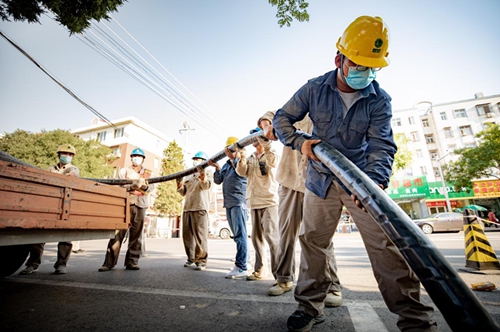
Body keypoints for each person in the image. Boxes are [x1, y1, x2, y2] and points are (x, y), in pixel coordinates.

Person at [274, 16, 437, 332]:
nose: (366, 72)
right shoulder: (314, 89)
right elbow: (282, 120)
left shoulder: (379, 99)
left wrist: (373, 183)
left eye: (372, 67)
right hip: (320, 179)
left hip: (360, 181)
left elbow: (381, 146)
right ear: (339, 59)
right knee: (312, 243)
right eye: (359, 64)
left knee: (386, 246)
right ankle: (309, 308)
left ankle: (415, 319)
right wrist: (301, 142)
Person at [257, 112, 342, 307]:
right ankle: (284, 278)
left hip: (318, 183)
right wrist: (266, 124)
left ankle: (332, 286)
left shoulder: (331, 116)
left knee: (319, 237)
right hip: (289, 181)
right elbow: (270, 114)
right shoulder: (294, 113)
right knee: (286, 233)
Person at [20, 144, 80, 275]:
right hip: (48, 204)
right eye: (64, 154)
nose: (66, 156)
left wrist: (70, 175)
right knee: (39, 235)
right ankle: (33, 264)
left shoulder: (73, 168)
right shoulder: (50, 168)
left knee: (65, 236)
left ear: (73, 157)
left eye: (69, 154)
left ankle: (61, 265)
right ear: (59, 155)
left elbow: (73, 175)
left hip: (65, 205)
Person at [235, 127, 280, 282]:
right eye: (252, 138)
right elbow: (242, 172)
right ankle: (260, 270)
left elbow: (273, 163)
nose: (254, 140)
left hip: (269, 201)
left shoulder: (271, 153)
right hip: (254, 202)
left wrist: (266, 145)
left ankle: (280, 275)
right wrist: (240, 157)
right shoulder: (251, 157)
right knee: (257, 239)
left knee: (272, 238)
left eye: (256, 137)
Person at [99, 148, 152, 272]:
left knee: (136, 236)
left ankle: (132, 262)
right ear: (131, 158)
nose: (136, 158)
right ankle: (109, 263)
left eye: (139, 156)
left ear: (143, 159)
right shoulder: (124, 171)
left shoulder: (148, 173)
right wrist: (133, 187)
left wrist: (141, 188)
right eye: (134, 156)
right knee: (117, 234)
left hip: (140, 206)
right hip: (125, 204)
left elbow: (149, 189)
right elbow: (119, 187)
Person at [208, 137, 250, 279]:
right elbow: (218, 180)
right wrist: (217, 168)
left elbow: (242, 173)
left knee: (240, 235)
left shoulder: (243, 161)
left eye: (232, 150)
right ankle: (244, 261)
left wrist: (234, 159)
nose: (230, 153)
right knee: (237, 235)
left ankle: (241, 266)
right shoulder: (227, 164)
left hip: (239, 202)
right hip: (229, 203)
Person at [177, 151, 212, 271]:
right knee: (187, 236)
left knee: (200, 237)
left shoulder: (209, 172)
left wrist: (202, 176)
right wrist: (178, 184)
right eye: (195, 159)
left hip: (200, 208)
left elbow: (206, 186)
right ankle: (191, 258)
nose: (196, 161)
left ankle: (201, 261)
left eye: (199, 159)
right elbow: (183, 193)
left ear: (205, 161)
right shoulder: (188, 175)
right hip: (187, 207)